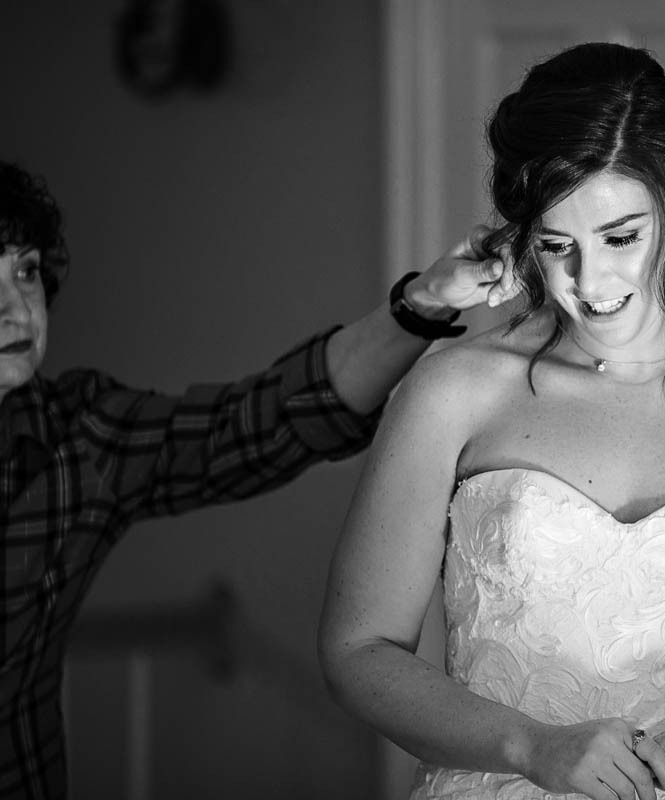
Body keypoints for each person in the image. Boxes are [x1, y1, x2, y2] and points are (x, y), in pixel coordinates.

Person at [319, 42, 665, 800]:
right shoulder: (455, 390)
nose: (590, 283)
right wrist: (530, 745)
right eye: (557, 246)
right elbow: (358, 650)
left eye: (622, 238)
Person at [0, 159, 518, 800]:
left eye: (24, 271)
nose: (14, 308)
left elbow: (262, 421)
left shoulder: (71, 439)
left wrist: (424, 301)